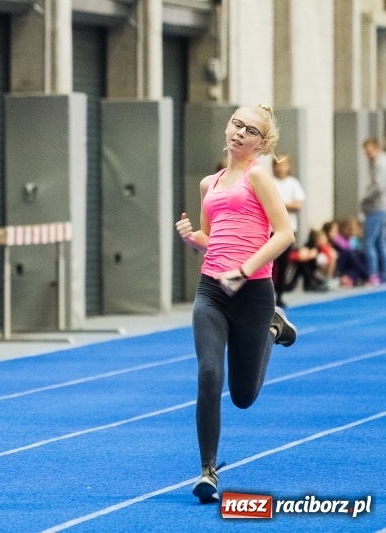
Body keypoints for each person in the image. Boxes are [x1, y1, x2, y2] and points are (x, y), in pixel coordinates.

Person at [175, 104, 298, 504]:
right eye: (236, 124)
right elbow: (215, 238)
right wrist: (194, 239)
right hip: (211, 290)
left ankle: (270, 327)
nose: (240, 133)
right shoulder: (208, 184)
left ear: (262, 144)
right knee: (209, 373)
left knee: (244, 396)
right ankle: (208, 470)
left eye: (251, 131)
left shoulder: (257, 175)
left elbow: (284, 234)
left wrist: (245, 271)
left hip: (253, 292)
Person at [271, 154, 306, 307]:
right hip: (270, 229)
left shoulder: (293, 183)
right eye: (278, 164)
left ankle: (279, 295)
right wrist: (285, 205)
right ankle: (268, 295)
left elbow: (297, 206)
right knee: (269, 264)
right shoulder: (269, 182)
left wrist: (278, 205)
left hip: (288, 229)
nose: (281, 167)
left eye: (284, 164)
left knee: (283, 263)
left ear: (289, 166)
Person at [361, 137, 386, 287]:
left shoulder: (379, 163)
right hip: (380, 207)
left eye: (369, 151)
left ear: (377, 148)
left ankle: (373, 274)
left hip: (376, 207)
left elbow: (379, 186)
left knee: (369, 242)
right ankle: (382, 273)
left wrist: (364, 199)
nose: (367, 154)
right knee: (379, 242)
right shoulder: (377, 163)